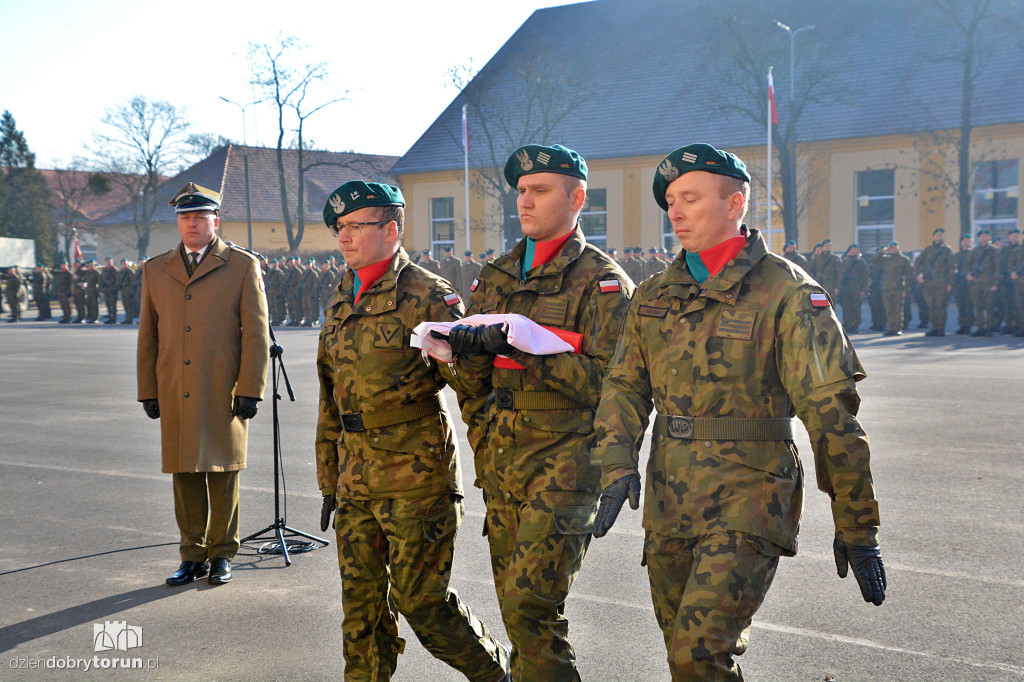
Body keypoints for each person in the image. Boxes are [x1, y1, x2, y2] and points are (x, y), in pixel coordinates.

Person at [590, 143, 886, 681]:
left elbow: (832, 418)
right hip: (670, 497)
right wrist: (615, 466)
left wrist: (857, 524)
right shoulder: (655, 293)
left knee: (697, 653)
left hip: (751, 494)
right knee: (686, 654)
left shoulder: (787, 292)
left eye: (691, 198)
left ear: (735, 203)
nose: (675, 212)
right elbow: (624, 388)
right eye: (671, 201)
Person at [442, 144, 633, 681]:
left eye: (540, 190)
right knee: (517, 613)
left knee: (531, 607)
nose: (525, 201)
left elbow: (613, 384)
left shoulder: (603, 281)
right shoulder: (496, 275)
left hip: (566, 467)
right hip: (503, 465)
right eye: (522, 191)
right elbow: (477, 385)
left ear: (577, 198)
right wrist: (461, 356)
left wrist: (530, 348)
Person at [315, 181, 510, 682]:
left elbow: (473, 389)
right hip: (355, 476)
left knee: (422, 602)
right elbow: (329, 393)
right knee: (360, 609)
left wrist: (494, 469)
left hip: (415, 476)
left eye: (357, 226)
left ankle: (498, 674)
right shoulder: (341, 295)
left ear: (392, 229)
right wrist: (328, 477)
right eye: (340, 228)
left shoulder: (429, 296)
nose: (345, 237)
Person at [137, 182, 269, 586]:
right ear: (178, 222)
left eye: (199, 217)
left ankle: (222, 553)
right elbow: (149, 333)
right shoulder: (155, 269)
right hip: (175, 385)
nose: (192, 224)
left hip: (221, 386)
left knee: (223, 471)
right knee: (185, 473)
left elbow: (256, 333)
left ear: (215, 221)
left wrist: (250, 388)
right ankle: (191, 554)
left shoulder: (242, 265)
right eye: (185, 218)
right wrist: (148, 389)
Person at [914, 228, 955, 336]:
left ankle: (941, 328)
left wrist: (950, 283)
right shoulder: (928, 250)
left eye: (941, 234)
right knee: (931, 306)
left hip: (942, 282)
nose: (939, 236)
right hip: (929, 283)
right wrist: (918, 275)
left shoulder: (947, 250)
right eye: (937, 234)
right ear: (933, 236)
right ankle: (934, 327)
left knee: (940, 306)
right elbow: (917, 262)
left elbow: (951, 267)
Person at [964, 228, 999, 336]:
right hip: (976, 283)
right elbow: (967, 264)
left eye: (985, 236)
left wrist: (995, 283)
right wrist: (968, 274)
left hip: (989, 282)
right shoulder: (976, 250)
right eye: (981, 236)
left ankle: (988, 328)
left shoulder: (994, 250)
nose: (983, 238)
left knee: (989, 307)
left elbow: (998, 268)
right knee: (978, 306)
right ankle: (980, 328)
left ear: (990, 237)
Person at [880, 242, 913, 336]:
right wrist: (883, 251)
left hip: (898, 288)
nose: (893, 249)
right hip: (886, 287)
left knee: (898, 309)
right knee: (889, 309)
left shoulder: (903, 259)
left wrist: (906, 288)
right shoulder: (886, 259)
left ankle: (897, 328)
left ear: (898, 248)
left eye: (895, 248)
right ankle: (891, 327)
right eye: (891, 248)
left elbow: (908, 275)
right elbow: (874, 261)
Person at [838, 243, 869, 333]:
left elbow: (865, 276)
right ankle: (847, 324)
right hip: (845, 289)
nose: (854, 252)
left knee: (856, 308)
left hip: (856, 289)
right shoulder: (844, 261)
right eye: (852, 250)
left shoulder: (861, 262)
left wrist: (864, 289)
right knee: (846, 308)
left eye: (856, 250)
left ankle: (855, 325)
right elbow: (840, 275)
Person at [100, 257, 119, 323]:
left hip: (112, 290)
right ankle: (110, 317)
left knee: (113, 305)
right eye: (107, 261)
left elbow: (117, 280)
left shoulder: (115, 270)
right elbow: (101, 278)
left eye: (110, 261)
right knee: (108, 304)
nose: (109, 262)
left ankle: (113, 318)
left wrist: (114, 286)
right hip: (106, 290)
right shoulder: (104, 269)